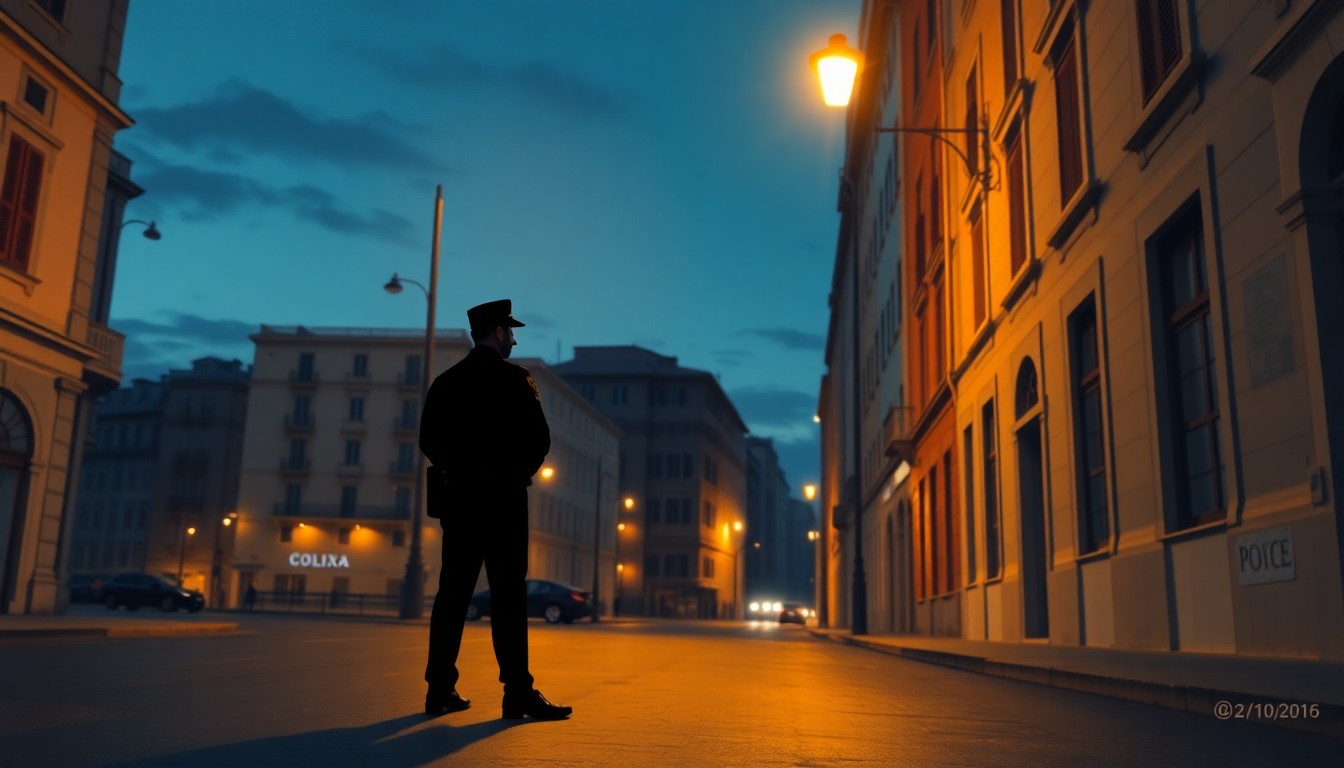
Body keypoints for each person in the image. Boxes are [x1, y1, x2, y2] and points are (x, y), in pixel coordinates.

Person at [419, 299, 572, 721]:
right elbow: (539, 439)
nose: (515, 339)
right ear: (500, 333)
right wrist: (514, 474)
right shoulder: (516, 380)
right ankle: (517, 694)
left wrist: (460, 471)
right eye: (511, 331)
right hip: (504, 503)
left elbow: (429, 440)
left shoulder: (446, 382)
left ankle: (439, 690)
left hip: (461, 502)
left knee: (452, 595)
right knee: (508, 596)